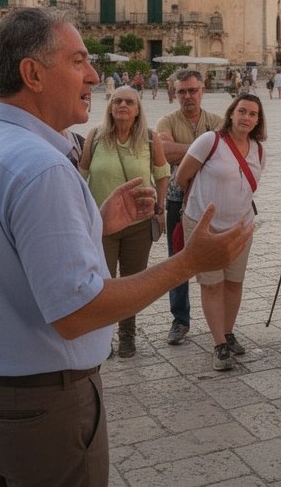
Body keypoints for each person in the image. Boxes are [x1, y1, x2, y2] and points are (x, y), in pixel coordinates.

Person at [0, 9, 250, 485]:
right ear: (32, 74)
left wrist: (93, 225)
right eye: (78, 60)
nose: (94, 75)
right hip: (42, 408)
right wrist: (189, 263)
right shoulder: (41, 167)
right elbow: (76, 312)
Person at [79, 86, 170, 358]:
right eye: (117, 101)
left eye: (130, 102)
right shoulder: (95, 137)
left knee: (131, 283)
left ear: (137, 109)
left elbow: (163, 173)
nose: (123, 106)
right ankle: (102, 336)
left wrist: (160, 206)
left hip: (138, 226)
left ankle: (127, 333)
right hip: (102, 224)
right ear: (109, 107)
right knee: (102, 282)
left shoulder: (150, 139)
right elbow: (81, 175)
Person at [177, 93, 266, 371]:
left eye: (252, 114)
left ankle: (228, 333)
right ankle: (219, 345)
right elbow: (183, 176)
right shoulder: (210, 141)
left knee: (234, 282)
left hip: (240, 225)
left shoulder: (258, 149)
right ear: (231, 113)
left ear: (257, 120)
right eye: (242, 111)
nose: (246, 118)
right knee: (212, 283)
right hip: (206, 225)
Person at [155, 69, 224, 346]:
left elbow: (227, 152)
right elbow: (164, 153)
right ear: (174, 93)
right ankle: (180, 320)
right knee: (178, 260)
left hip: (211, 201)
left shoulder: (217, 120)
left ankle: (223, 324)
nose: (187, 96)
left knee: (219, 261)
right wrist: (206, 149)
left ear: (202, 91)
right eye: (181, 91)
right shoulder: (166, 121)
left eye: (192, 90)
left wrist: (183, 150)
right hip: (177, 201)